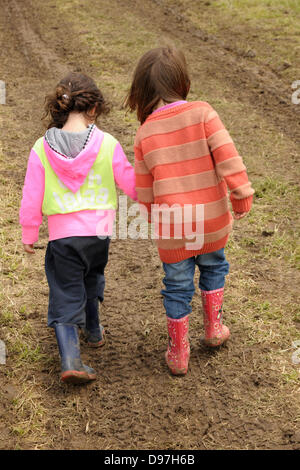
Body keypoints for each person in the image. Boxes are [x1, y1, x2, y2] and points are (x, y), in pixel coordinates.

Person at [126, 46, 254, 376]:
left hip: (174, 227)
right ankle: (213, 328)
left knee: (177, 285)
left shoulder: (145, 133)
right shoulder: (203, 113)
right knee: (214, 267)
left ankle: (179, 353)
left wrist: (154, 220)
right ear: (182, 81)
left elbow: (144, 189)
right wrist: (241, 195)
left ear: (141, 92)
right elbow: (228, 156)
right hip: (211, 221)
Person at [20, 72, 137, 384]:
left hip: (63, 235)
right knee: (92, 276)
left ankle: (71, 360)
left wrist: (30, 232)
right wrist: (155, 197)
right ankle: (94, 330)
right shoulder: (108, 143)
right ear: (94, 108)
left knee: (65, 290)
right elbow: (130, 181)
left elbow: (32, 195)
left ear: (59, 107)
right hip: (99, 234)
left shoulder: (41, 149)